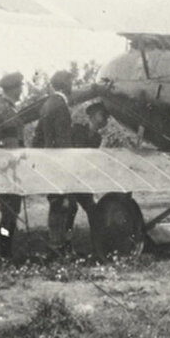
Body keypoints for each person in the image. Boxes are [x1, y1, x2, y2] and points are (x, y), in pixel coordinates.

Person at [37, 70, 75, 255]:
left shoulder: (46, 105)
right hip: (59, 162)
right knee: (62, 204)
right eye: (70, 82)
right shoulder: (60, 106)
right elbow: (63, 141)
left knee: (55, 203)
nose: (72, 86)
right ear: (65, 85)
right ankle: (58, 245)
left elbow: (38, 137)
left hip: (48, 161)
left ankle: (55, 242)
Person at [0, 72, 26, 259]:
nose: (21, 91)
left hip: (4, 169)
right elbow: (10, 143)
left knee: (8, 213)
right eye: (20, 87)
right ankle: (5, 253)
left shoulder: (0, 109)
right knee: (9, 215)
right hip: (9, 170)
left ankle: (6, 251)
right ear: (14, 89)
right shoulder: (7, 112)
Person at [64, 102, 110, 243]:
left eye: (106, 117)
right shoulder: (77, 130)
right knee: (71, 208)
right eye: (102, 115)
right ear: (92, 115)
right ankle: (66, 242)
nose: (105, 120)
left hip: (83, 179)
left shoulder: (98, 139)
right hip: (70, 177)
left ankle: (98, 243)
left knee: (92, 210)